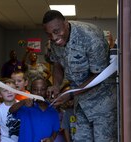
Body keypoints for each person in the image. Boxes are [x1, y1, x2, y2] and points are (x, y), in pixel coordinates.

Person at [42, 10, 117, 142]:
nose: (53, 38)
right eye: (49, 34)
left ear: (66, 24)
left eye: (56, 31)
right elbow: (57, 64)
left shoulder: (90, 37)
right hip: (80, 103)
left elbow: (99, 75)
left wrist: (71, 94)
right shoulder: (54, 41)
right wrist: (56, 85)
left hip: (103, 102)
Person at [9, 76, 60, 142]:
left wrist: (51, 138)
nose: (39, 92)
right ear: (30, 92)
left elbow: (55, 130)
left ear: (47, 91)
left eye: (43, 89)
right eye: (35, 90)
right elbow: (11, 110)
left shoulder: (53, 111)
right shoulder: (26, 108)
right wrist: (23, 102)